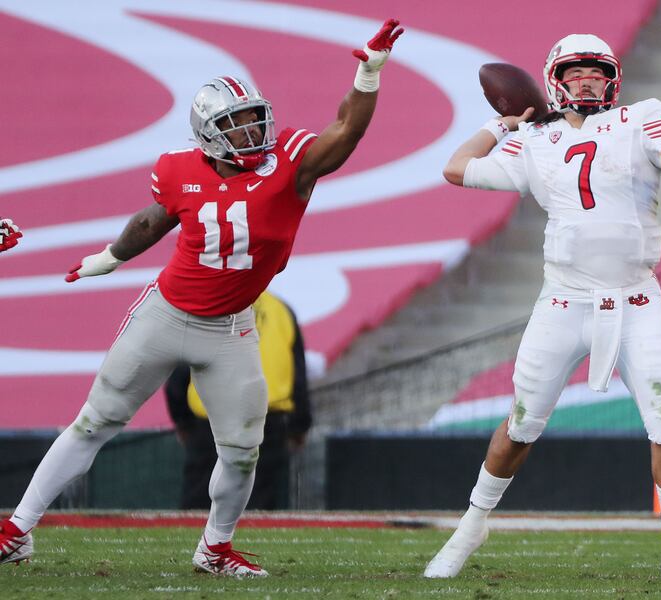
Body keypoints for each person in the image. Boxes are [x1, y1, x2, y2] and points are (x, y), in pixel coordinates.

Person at [0, 19, 403, 576]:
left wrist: (367, 74)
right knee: (95, 421)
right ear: (208, 135)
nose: (252, 131)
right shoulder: (178, 169)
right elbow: (153, 219)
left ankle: (214, 547)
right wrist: (112, 257)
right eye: (236, 125)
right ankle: (17, 529)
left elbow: (345, 132)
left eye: (254, 118)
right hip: (164, 314)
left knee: (242, 448)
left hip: (229, 328)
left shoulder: (289, 162)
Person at [424, 33, 661, 581]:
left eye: (596, 70)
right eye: (575, 71)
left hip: (635, 300)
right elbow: (456, 167)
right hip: (563, 300)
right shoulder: (534, 140)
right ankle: (472, 524)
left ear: (612, 77)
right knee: (521, 424)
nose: (587, 79)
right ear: (554, 79)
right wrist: (504, 122)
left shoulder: (642, 118)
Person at [165, 290, 311, 510]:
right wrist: (299, 426)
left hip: (211, 421)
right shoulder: (280, 310)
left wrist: (183, 422)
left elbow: (181, 370)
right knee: (256, 503)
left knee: (199, 502)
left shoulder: (207, 307)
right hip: (265, 422)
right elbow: (297, 375)